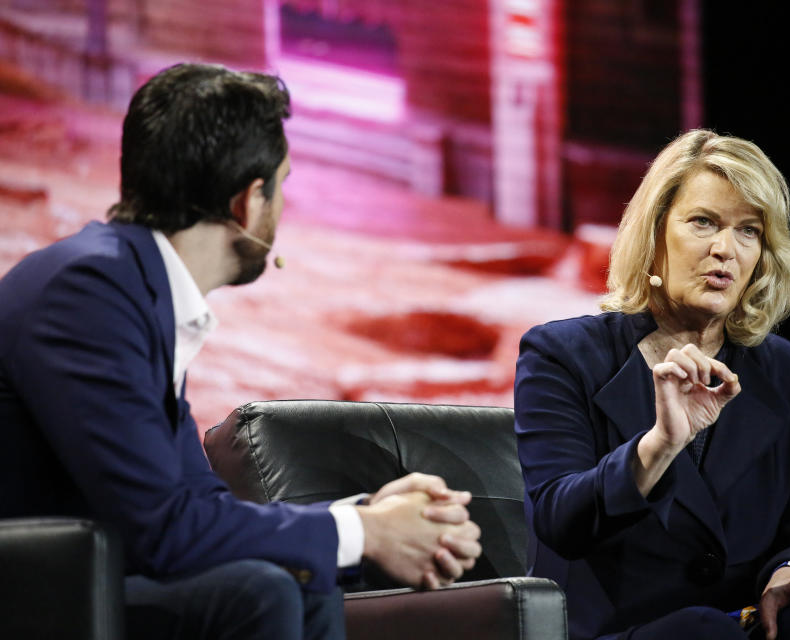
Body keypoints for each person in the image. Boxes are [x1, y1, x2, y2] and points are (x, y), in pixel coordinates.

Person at [0, 63, 481, 640]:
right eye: (283, 185)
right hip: (35, 588)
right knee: (263, 591)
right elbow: (165, 528)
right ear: (247, 204)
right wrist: (366, 533)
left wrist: (366, 515)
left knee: (296, 581)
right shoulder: (90, 292)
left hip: (85, 573)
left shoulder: (131, 284)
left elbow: (196, 500)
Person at [513, 129, 790, 640]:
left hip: (740, 627)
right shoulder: (563, 355)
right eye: (704, 222)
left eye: (749, 231)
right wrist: (659, 446)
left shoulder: (786, 371)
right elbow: (559, 519)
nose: (726, 249)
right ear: (654, 235)